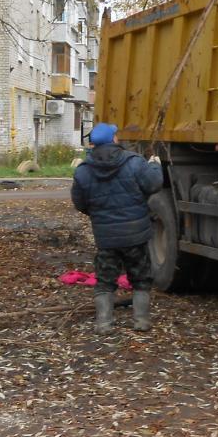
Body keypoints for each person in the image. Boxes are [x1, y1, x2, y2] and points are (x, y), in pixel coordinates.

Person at [71, 122, 164, 334]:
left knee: (105, 280)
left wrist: (100, 216)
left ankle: (104, 324)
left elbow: (80, 203)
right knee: (140, 278)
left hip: (107, 238)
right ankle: (141, 321)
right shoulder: (134, 162)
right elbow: (153, 185)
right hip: (136, 234)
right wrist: (156, 166)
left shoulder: (84, 170)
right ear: (113, 139)